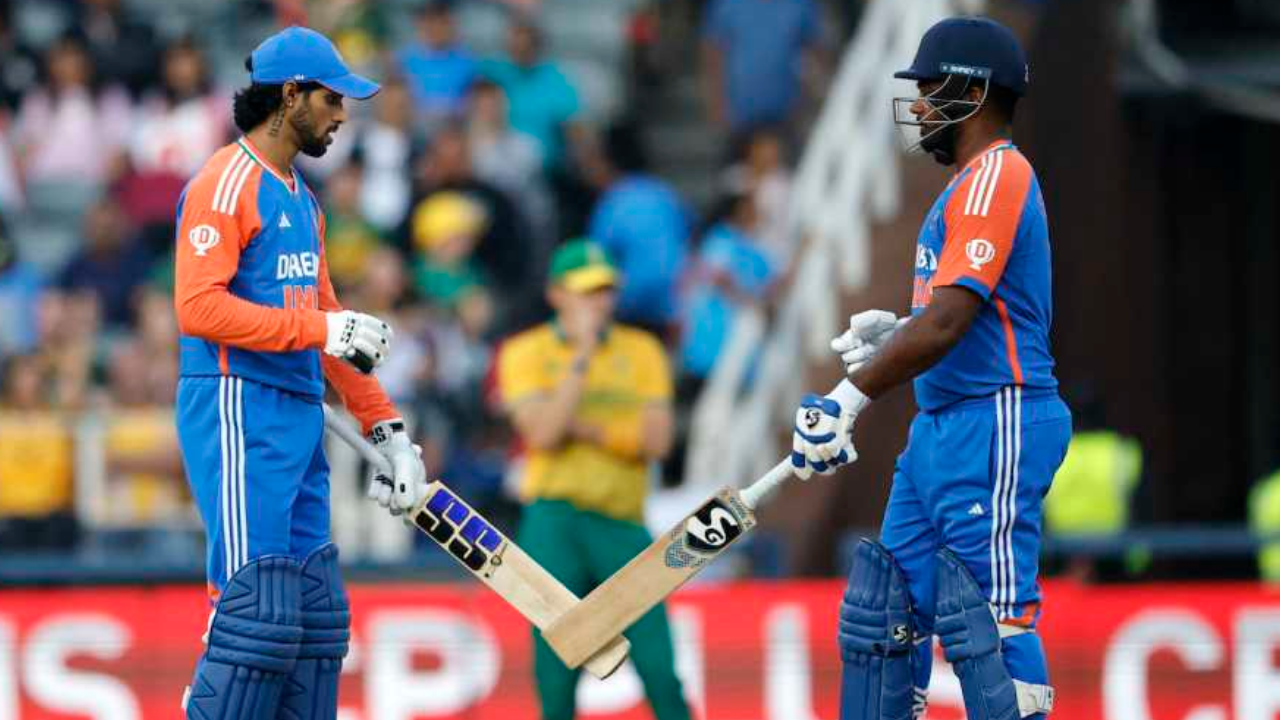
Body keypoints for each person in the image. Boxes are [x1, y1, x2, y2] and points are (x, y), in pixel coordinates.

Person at [787, 18, 1065, 720]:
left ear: (973, 92)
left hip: (995, 416)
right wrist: (898, 329)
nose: (918, 105)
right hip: (943, 425)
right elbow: (940, 315)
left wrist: (850, 396)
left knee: (989, 627)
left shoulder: (996, 175)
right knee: (887, 618)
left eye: (930, 88)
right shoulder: (966, 187)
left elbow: (948, 323)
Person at [171, 27, 427, 719]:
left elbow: (330, 324)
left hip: (298, 414)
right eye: (333, 98)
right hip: (236, 406)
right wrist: (322, 328)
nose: (343, 115)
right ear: (290, 96)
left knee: (314, 624)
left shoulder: (302, 201)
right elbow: (198, 308)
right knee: (256, 618)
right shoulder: (225, 182)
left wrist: (389, 429)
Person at [495, 239, 690, 720]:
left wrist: (586, 428)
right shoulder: (525, 351)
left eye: (604, 289)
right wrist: (581, 355)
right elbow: (542, 434)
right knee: (556, 677)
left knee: (661, 670)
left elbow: (659, 441)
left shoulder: (642, 350)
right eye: (586, 291)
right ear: (556, 294)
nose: (597, 301)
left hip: (623, 524)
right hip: (553, 521)